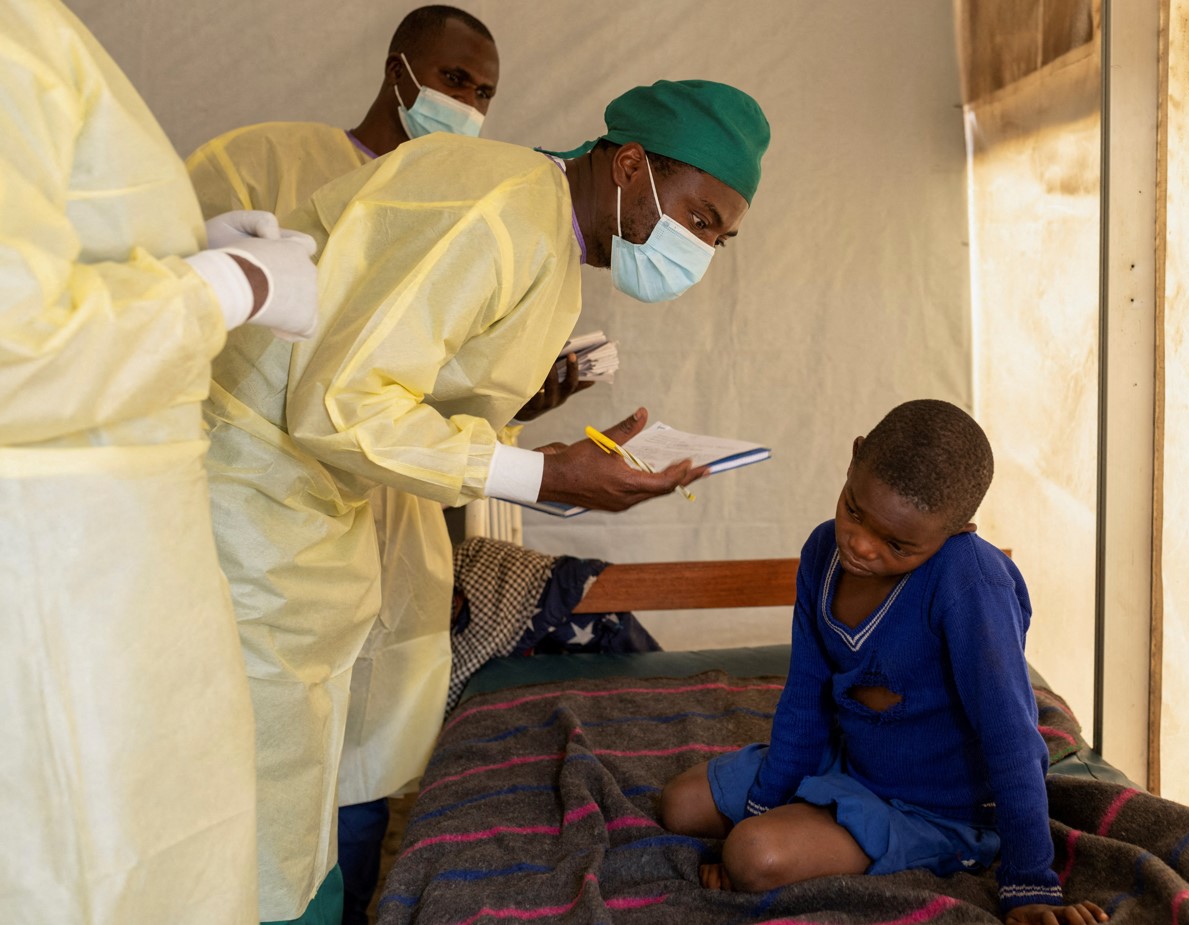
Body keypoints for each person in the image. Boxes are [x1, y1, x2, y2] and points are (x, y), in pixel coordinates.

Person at [202, 77, 770, 923]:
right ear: (628, 165)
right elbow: (341, 404)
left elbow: (423, 407)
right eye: (700, 220)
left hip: (313, 506)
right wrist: (545, 475)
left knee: (298, 781)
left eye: (721, 239)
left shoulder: (548, 239)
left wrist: (557, 458)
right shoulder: (499, 208)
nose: (704, 251)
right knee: (246, 796)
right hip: (253, 500)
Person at [185, 9, 575, 920]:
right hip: (259, 517)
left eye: (484, 91)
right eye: (454, 78)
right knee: (247, 766)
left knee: (357, 768)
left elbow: (419, 394)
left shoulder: (474, 195)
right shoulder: (270, 161)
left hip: (389, 524)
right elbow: (176, 305)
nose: (469, 102)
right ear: (399, 68)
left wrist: (523, 407)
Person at [0, 1, 320, 922]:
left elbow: (47, 250)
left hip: (111, 567)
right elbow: (16, 348)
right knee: (88, 873)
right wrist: (227, 287)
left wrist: (187, 253)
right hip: (59, 585)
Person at [657, 400, 1109, 925]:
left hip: (938, 808)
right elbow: (805, 695)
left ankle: (945, 847)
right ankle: (804, 818)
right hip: (850, 764)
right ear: (853, 461)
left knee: (754, 856)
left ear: (958, 529)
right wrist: (765, 804)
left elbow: (1011, 735)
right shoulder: (822, 552)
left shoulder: (970, 584)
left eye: (897, 545)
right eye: (854, 510)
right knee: (681, 806)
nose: (861, 545)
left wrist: (1030, 883)